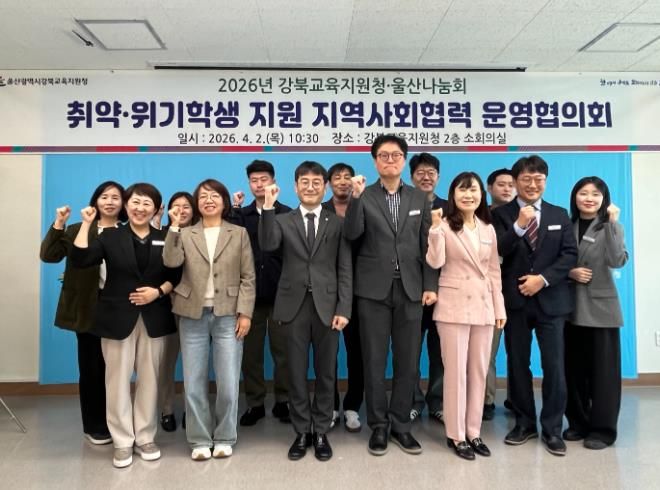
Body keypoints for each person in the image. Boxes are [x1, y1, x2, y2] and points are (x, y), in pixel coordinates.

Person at [71, 183, 179, 468]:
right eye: (135, 202)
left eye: (147, 203)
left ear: (156, 209)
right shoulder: (109, 236)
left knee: (150, 380)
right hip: (116, 319)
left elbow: (176, 274)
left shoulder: (165, 237)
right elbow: (81, 259)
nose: (140, 208)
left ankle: (145, 436)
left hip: (154, 317)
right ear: (127, 205)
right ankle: (122, 440)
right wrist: (86, 224)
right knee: (116, 381)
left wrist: (158, 292)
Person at [344, 134, 438, 456]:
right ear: (375, 161)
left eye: (395, 155)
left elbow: (427, 244)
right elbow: (351, 233)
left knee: (407, 361)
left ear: (403, 160)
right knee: (373, 359)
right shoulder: (364, 195)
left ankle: (400, 425)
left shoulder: (418, 198)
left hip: (411, 289)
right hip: (372, 291)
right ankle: (379, 426)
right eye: (383, 155)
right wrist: (355, 199)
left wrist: (430, 284)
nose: (389, 160)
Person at [259, 161, 352, 462]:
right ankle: (302, 431)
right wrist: (268, 206)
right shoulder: (282, 220)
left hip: (328, 307)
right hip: (292, 306)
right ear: (295, 186)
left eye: (316, 183)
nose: (310, 187)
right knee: (295, 372)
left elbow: (344, 268)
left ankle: (321, 430)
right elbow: (267, 243)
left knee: (326, 372)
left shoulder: (337, 222)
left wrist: (344, 308)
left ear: (325, 187)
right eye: (304, 182)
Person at [163, 179, 255, 461]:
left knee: (228, 382)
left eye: (214, 195)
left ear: (224, 202)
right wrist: (174, 225)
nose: (209, 200)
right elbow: (170, 261)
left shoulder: (238, 233)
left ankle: (225, 436)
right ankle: (200, 439)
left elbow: (248, 277)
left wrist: (245, 313)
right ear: (197, 203)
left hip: (228, 314)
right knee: (194, 381)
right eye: (203, 196)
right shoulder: (185, 233)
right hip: (192, 314)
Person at [491, 155, 577, 456]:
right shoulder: (500, 214)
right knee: (517, 364)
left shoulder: (558, 214)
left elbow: (569, 255)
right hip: (515, 301)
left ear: (545, 181)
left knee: (554, 366)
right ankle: (524, 423)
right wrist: (518, 226)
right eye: (526, 179)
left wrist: (542, 279)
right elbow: (497, 251)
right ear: (516, 182)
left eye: (538, 179)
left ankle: (552, 428)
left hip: (551, 301)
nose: (532, 184)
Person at [426, 172, 506, 460]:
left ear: (481, 195)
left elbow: (494, 271)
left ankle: (474, 431)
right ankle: (456, 434)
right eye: (462, 190)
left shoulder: (488, 228)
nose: (468, 195)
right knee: (456, 373)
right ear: (453, 195)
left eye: (473, 190)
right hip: (453, 307)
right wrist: (435, 230)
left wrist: (499, 307)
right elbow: (435, 261)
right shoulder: (444, 225)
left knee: (478, 371)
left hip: (484, 307)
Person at [39, 181, 127, 446]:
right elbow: (49, 255)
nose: (110, 201)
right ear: (95, 201)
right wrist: (59, 222)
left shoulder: (127, 232)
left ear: (123, 203)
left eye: (115, 197)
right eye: (104, 197)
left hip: (120, 308)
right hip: (87, 308)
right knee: (91, 369)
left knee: (118, 370)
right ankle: (95, 425)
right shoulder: (79, 229)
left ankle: (119, 422)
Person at [564, 177, 628, 450]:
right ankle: (578, 423)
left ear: (604, 199)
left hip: (601, 309)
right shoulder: (565, 225)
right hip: (569, 308)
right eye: (583, 193)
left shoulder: (611, 227)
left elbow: (617, 260)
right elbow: (553, 261)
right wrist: (569, 272)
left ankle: (602, 430)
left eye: (595, 194)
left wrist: (612, 223)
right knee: (573, 371)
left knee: (604, 373)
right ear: (575, 197)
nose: (589, 198)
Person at [232, 160, 292, 426]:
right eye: (254, 180)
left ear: (273, 181)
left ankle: (283, 401)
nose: (259, 184)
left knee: (284, 352)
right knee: (251, 354)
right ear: (249, 184)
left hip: (281, 295)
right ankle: (255, 403)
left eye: (264, 179)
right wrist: (234, 209)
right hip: (249, 297)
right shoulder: (241, 216)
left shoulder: (288, 214)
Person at [323, 162, 364, 432]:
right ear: (328, 184)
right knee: (327, 353)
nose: (342, 181)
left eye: (347, 176)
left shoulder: (365, 206)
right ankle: (329, 407)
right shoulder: (320, 210)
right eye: (336, 177)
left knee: (356, 352)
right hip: (326, 291)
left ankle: (352, 406)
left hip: (360, 289)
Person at [409, 152, 448, 424]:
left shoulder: (450, 207)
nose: (426, 177)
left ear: (438, 176)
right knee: (409, 350)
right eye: (420, 172)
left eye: (431, 172)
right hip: (410, 289)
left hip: (444, 290)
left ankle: (437, 401)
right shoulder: (403, 204)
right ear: (412, 177)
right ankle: (412, 400)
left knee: (441, 351)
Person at [158, 191, 199, 432]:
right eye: (176, 206)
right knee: (166, 363)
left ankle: (192, 411)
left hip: (194, 306)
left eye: (186, 206)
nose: (181, 211)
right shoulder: (162, 233)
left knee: (194, 364)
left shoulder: (202, 234)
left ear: (194, 210)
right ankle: (166, 410)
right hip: (167, 306)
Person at [483, 168, 516, 420]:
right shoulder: (479, 215)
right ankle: (485, 400)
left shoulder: (526, 215)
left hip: (520, 290)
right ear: (489, 187)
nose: (507, 189)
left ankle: (517, 399)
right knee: (487, 350)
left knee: (517, 351)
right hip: (489, 291)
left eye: (511, 185)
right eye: (501, 184)